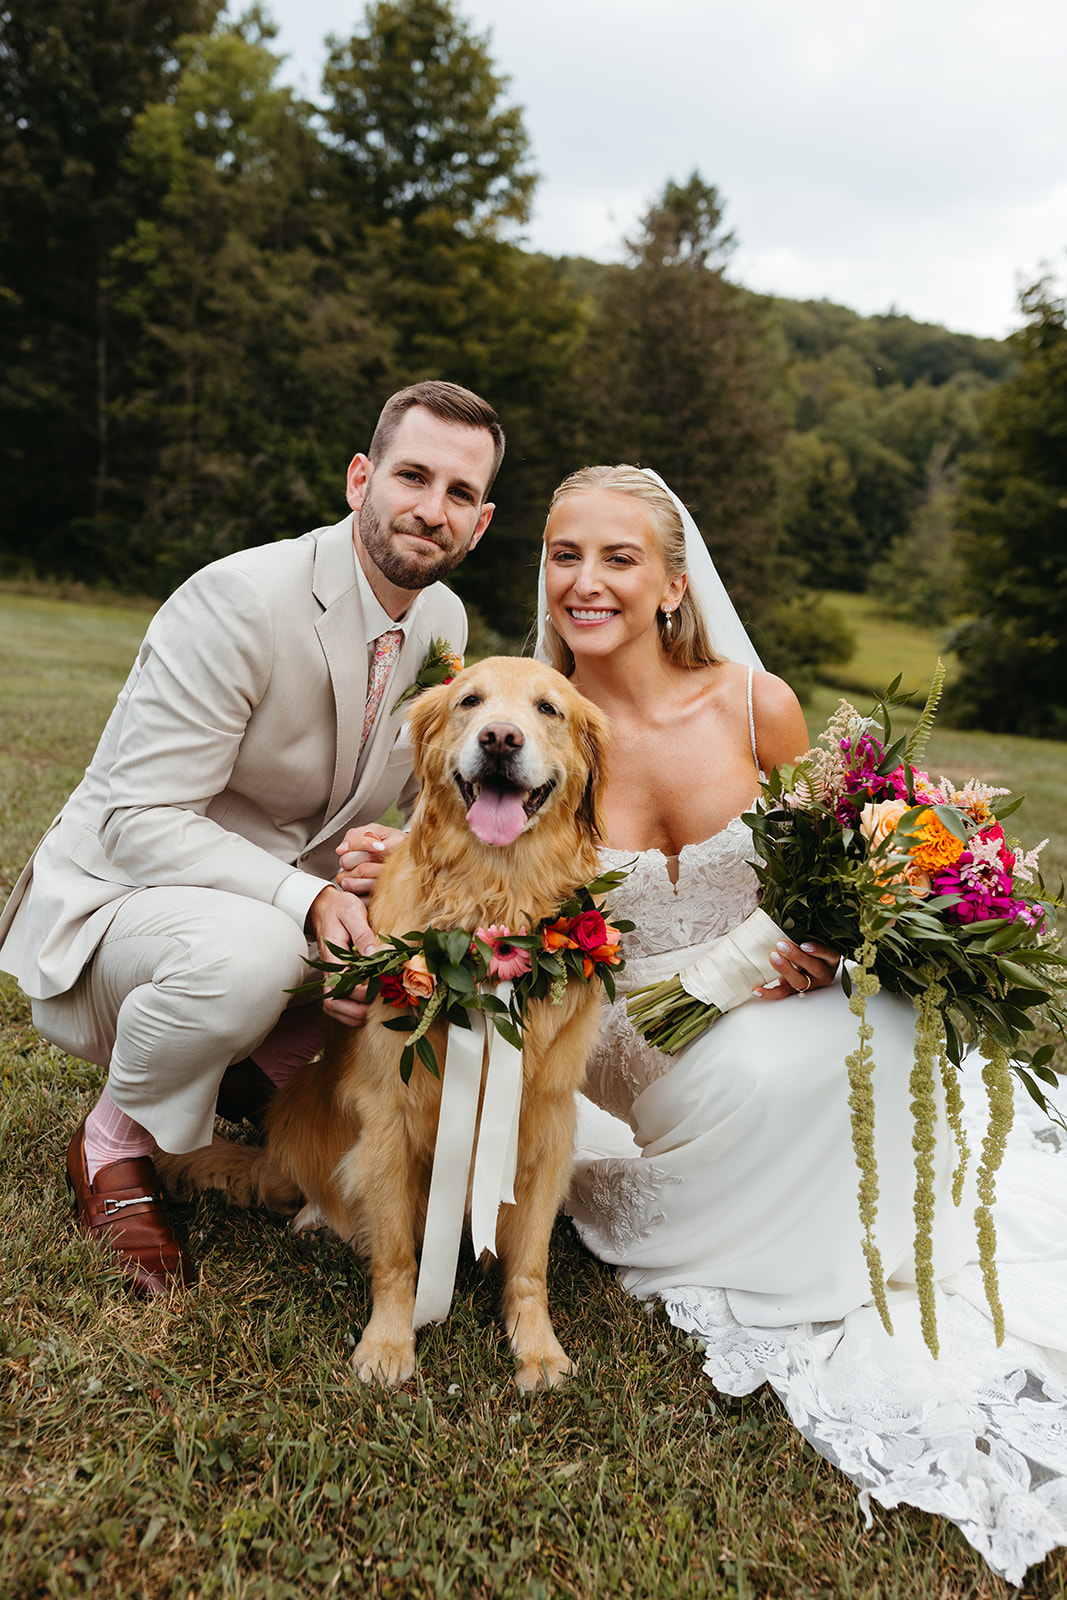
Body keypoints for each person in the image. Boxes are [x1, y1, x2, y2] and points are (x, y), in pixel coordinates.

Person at [532, 463, 1067, 1584]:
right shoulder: (532, 728)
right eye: (562, 555)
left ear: (672, 584)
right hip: (640, 1024)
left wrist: (837, 933)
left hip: (793, 982)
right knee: (782, 1074)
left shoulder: (750, 703)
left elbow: (853, 843)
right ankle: (804, 1259)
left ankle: (896, 1240)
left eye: (617, 558)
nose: (584, 582)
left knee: (891, 1035)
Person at [0, 380, 503, 1298]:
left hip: (284, 916)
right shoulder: (239, 597)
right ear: (360, 479)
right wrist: (311, 899)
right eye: (412, 476)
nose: (432, 510)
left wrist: (380, 878)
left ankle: (254, 1070)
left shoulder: (443, 623)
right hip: (122, 909)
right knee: (255, 955)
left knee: (419, 959)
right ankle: (112, 1143)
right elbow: (137, 819)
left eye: (459, 493)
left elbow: (388, 807)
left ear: (481, 520)